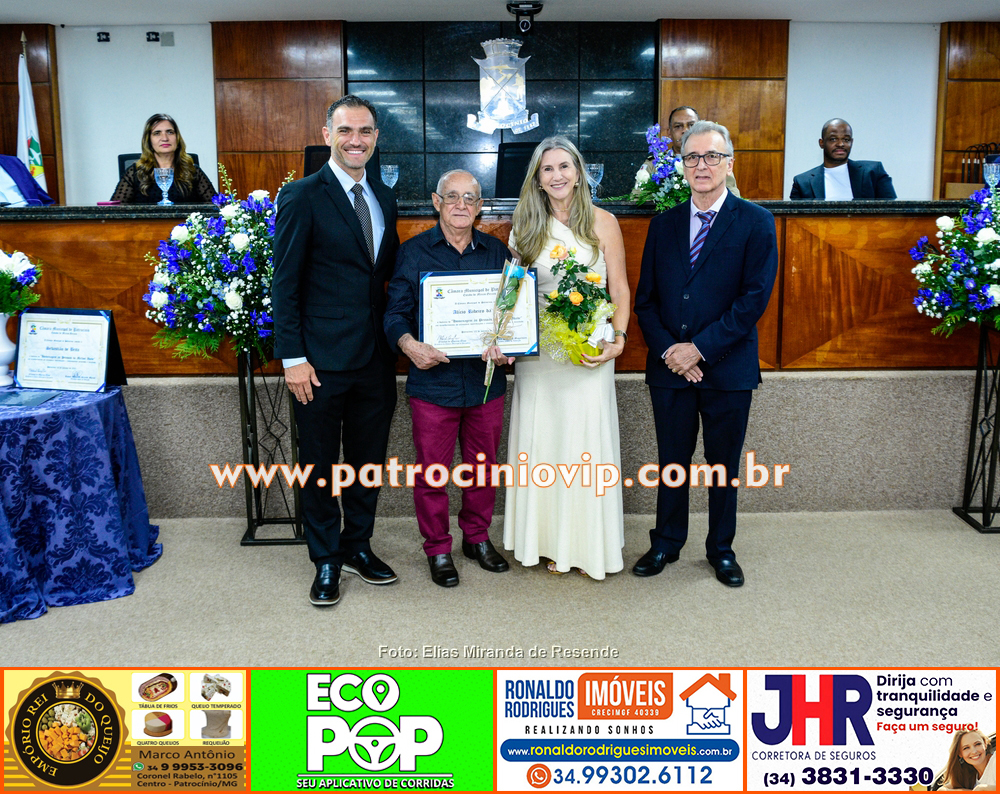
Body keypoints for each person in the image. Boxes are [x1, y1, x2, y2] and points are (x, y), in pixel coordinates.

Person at [633, 120, 777, 588]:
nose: (702, 165)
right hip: (670, 370)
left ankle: (721, 549)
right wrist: (672, 353)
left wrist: (699, 349)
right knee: (672, 461)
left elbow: (753, 300)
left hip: (727, 368)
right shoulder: (663, 224)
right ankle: (666, 542)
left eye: (712, 156)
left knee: (722, 466)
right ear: (682, 165)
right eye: (692, 157)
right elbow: (646, 302)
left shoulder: (756, 221)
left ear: (729, 164)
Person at [272, 95, 400, 607]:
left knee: (367, 463)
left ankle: (357, 546)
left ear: (376, 137)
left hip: (375, 360)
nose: (356, 140)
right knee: (321, 465)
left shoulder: (384, 196)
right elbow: (285, 285)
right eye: (345, 130)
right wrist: (292, 359)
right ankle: (325, 558)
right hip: (319, 362)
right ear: (327, 135)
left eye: (365, 131)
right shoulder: (301, 195)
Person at [502, 136, 630, 580]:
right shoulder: (524, 227)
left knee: (583, 442)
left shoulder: (603, 222)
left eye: (564, 167)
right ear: (537, 180)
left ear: (579, 173)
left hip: (589, 352)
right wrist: (502, 336)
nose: (556, 176)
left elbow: (619, 287)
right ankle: (543, 540)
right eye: (547, 169)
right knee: (544, 440)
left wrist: (618, 337)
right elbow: (512, 292)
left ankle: (585, 544)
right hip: (540, 357)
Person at [384, 170, 514, 587]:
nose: (461, 205)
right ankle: (437, 548)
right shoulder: (413, 253)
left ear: (480, 206)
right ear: (436, 202)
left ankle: (476, 538)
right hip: (432, 384)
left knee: (483, 469)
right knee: (432, 474)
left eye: (470, 198)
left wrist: (511, 342)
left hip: (484, 381)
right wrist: (409, 344)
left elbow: (511, 315)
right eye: (452, 197)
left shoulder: (498, 253)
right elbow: (394, 314)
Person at [110, 113, 215, 204]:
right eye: (157, 133)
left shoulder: (193, 171)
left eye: (170, 132)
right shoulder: (136, 173)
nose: (165, 138)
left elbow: (217, 207)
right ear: (149, 141)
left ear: (177, 138)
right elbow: (114, 212)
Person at [789, 118, 896, 200]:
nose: (841, 144)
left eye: (846, 139)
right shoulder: (803, 182)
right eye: (833, 139)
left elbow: (892, 212)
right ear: (821, 143)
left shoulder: (873, 172)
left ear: (852, 142)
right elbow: (794, 219)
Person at [666, 106, 740, 197]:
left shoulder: (717, 160)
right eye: (678, 126)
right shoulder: (656, 163)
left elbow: (733, 194)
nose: (685, 130)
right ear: (669, 132)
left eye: (691, 125)